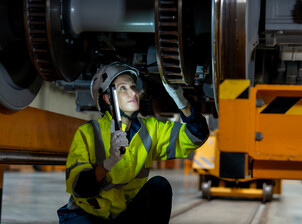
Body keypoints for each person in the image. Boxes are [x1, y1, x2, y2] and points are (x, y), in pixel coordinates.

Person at [57, 62, 210, 224]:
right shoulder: (88, 132)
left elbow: (197, 134)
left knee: (159, 186)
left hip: (124, 215)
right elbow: (80, 188)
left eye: (133, 87)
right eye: (123, 88)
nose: (133, 93)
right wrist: (109, 162)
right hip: (87, 215)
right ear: (108, 98)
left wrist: (180, 100)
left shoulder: (150, 130)